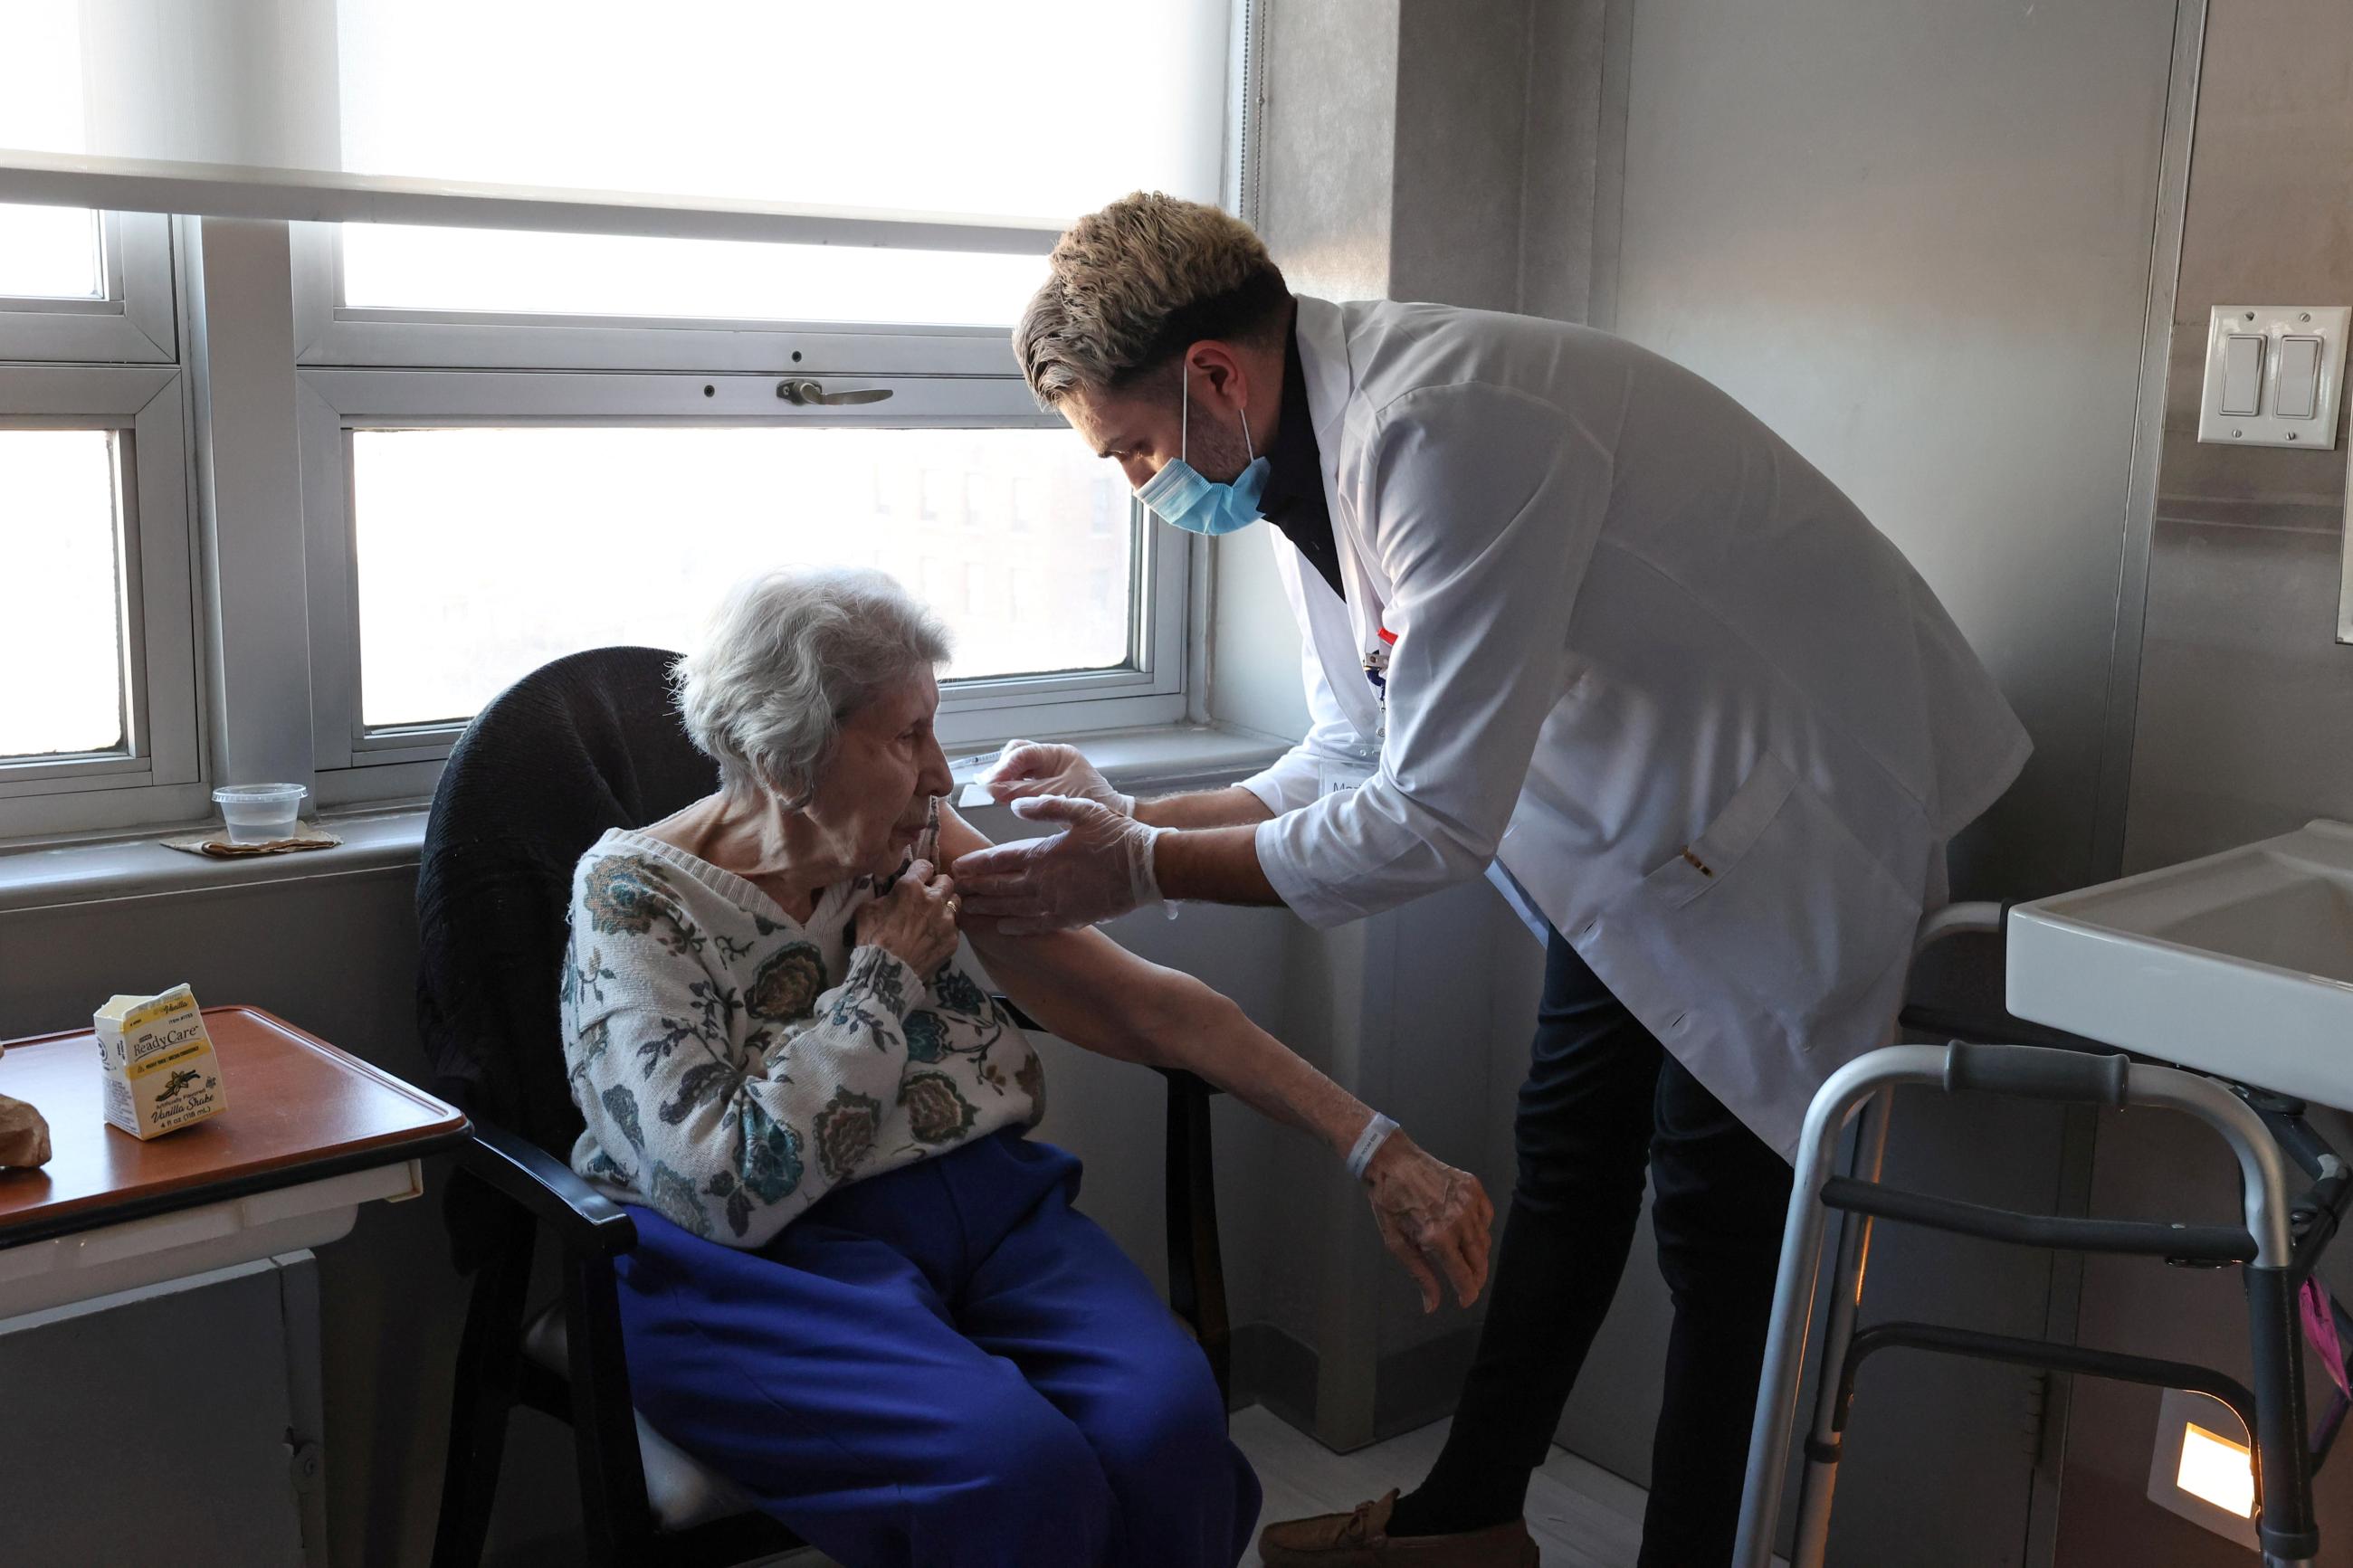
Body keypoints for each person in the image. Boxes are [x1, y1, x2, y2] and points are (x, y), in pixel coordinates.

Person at [953, 193, 2031, 1567]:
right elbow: (1353, 745)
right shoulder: (1310, 463)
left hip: (1789, 830)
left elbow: (1429, 822)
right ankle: (1471, 1518)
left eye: (1136, 450)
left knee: (1719, 1222)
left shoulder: (1446, 423)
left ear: (1214, 375)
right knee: (1570, 1147)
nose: (1146, 488)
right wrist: (1134, 819)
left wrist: (1142, 863)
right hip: (1636, 838)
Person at [558, 565, 1493, 1568]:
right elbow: (725, 1186)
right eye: (905, 736)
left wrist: (1374, 1145)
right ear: (790, 756)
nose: (941, 778)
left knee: (1169, 1434)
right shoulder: (633, 900)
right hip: (761, 1266)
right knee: (1011, 1471)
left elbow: (1143, 998)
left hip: (983, 1211)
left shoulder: (903, 842)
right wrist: (880, 976)